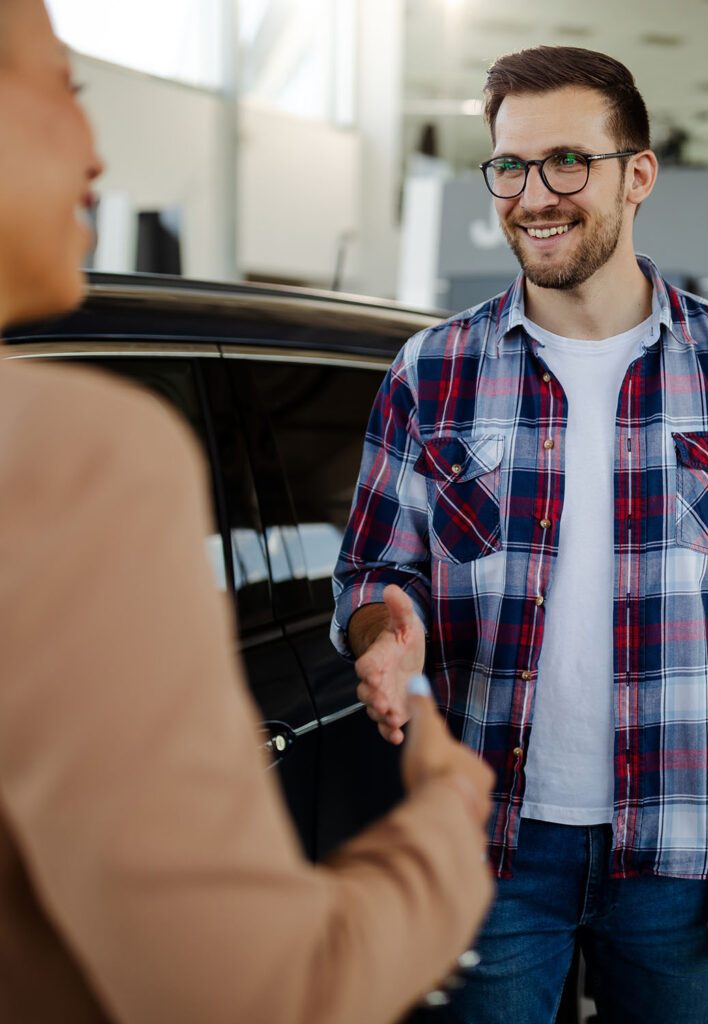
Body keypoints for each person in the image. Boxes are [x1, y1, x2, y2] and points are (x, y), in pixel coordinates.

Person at [0, 2, 493, 1022]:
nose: (97, 151)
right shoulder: (66, 452)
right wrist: (450, 805)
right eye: (63, 88)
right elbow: (265, 990)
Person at [333, 45, 708, 1023]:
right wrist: (388, 630)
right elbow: (377, 570)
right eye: (509, 166)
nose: (532, 194)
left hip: (679, 844)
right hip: (493, 844)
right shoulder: (431, 371)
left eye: (566, 161)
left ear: (636, 174)